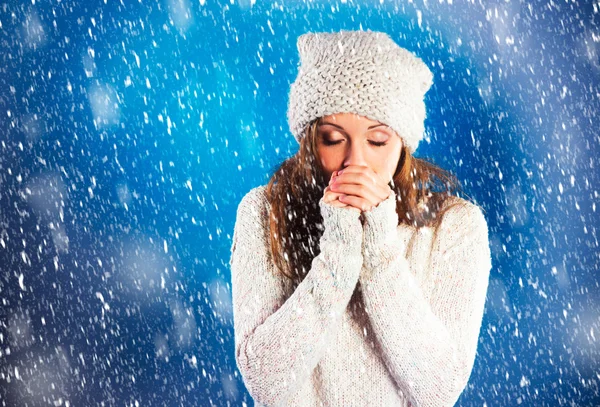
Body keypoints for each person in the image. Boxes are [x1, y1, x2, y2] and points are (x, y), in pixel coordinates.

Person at [229, 29, 492, 407]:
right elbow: (267, 382)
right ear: (309, 141)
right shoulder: (263, 212)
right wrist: (338, 251)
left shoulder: (455, 227)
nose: (356, 162)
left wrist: (380, 247)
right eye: (334, 139)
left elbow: (438, 389)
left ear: (402, 145)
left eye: (378, 141)